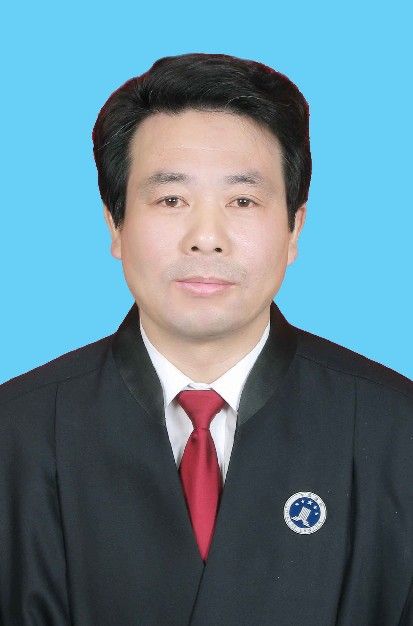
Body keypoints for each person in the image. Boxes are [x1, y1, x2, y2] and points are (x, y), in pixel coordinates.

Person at [0, 52, 411, 626]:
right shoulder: (16, 432)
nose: (206, 238)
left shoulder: (396, 429)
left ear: (294, 226)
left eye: (242, 201)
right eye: (172, 200)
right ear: (115, 223)